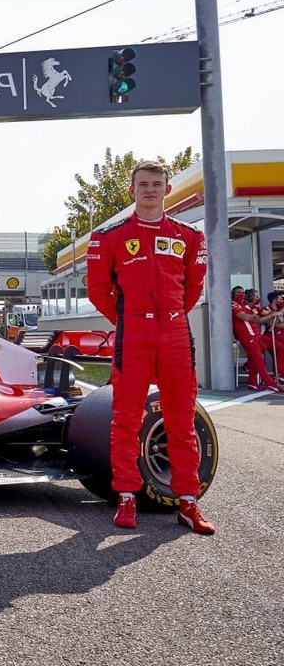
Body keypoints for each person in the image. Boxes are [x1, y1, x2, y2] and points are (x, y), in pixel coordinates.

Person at [86, 160, 215, 534]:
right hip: (133, 337)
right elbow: (98, 292)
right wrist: (130, 319)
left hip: (175, 335)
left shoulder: (189, 237)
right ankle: (127, 496)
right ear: (132, 190)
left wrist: (167, 317)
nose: (150, 190)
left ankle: (188, 502)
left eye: (157, 184)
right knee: (126, 420)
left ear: (167, 189)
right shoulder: (108, 237)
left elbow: (193, 289)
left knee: (182, 420)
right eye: (143, 184)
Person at [232, 286, 280, 392]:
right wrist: (270, 315)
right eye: (238, 292)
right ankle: (270, 383)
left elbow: (262, 316)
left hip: (256, 335)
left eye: (242, 292)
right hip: (247, 336)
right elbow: (247, 317)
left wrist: (275, 312)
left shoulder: (247, 305)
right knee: (258, 359)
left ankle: (252, 382)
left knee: (270, 349)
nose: (241, 294)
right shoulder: (233, 304)